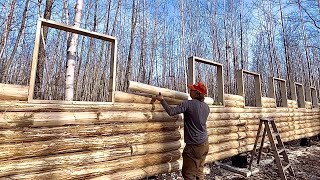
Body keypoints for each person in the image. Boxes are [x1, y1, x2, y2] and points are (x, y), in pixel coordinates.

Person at [156, 82, 210, 180]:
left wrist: (162, 100)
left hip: (194, 146)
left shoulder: (188, 104)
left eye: (192, 90)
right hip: (205, 144)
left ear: (197, 93)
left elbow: (171, 112)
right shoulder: (206, 107)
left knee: (188, 174)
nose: (190, 90)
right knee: (199, 172)